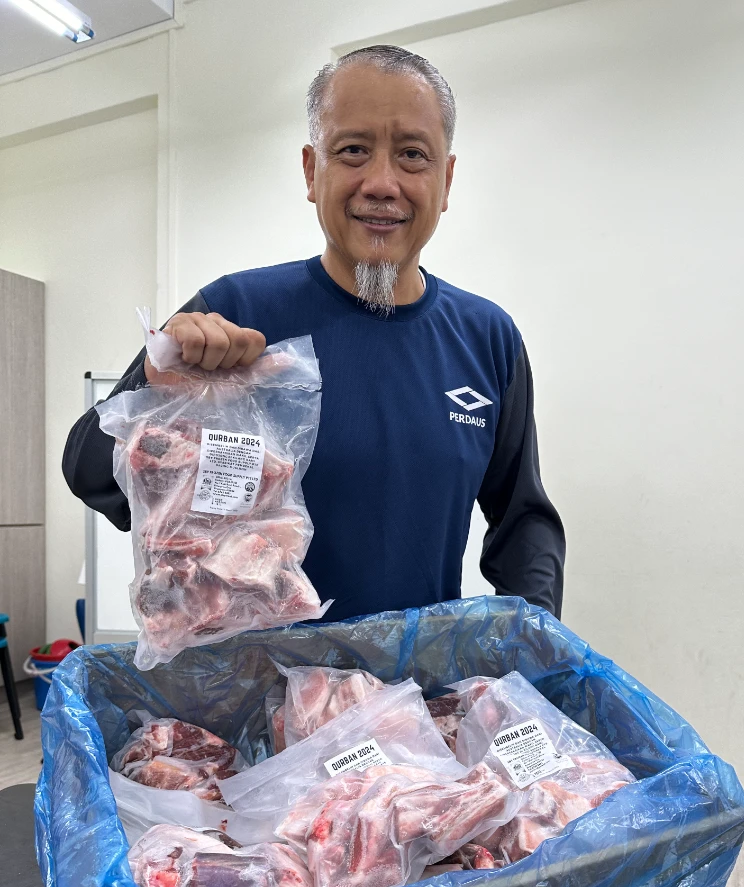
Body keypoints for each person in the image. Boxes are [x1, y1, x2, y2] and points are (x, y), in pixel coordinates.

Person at [63, 45, 565, 624]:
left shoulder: (487, 339)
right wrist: (166, 395)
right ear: (311, 170)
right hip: (251, 700)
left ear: (445, 180)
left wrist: (537, 644)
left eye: (412, 155)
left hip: (416, 699)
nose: (381, 182)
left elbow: (523, 518)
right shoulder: (234, 312)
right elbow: (89, 470)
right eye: (353, 150)